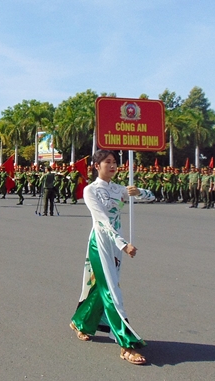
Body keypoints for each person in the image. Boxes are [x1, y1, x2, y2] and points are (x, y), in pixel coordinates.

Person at [69, 150, 147, 365]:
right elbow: (102, 221)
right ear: (96, 165)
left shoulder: (118, 189)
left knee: (103, 285)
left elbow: (152, 196)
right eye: (107, 162)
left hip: (116, 246)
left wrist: (138, 191)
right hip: (101, 243)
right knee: (112, 290)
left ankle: (81, 321)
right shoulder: (90, 190)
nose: (112, 166)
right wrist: (123, 244)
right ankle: (126, 343)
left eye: (114, 162)